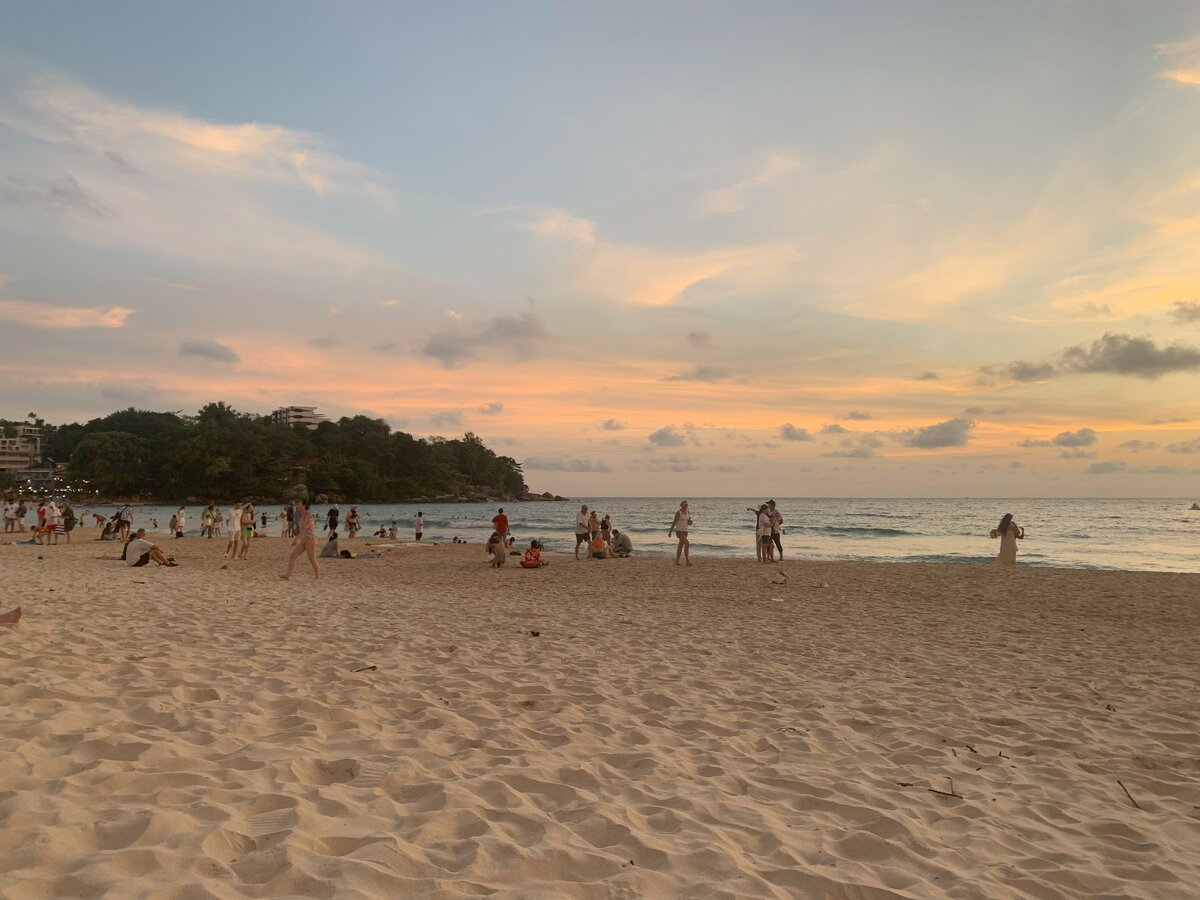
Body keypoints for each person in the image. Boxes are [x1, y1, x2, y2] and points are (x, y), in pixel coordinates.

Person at [282, 499, 320, 579]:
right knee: (293, 556)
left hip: (310, 538)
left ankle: (317, 576)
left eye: (299, 504)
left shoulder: (308, 515)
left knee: (311, 559)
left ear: (304, 505)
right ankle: (287, 575)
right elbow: (301, 528)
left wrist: (296, 539)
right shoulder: (301, 515)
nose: (297, 505)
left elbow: (305, 529)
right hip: (304, 539)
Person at [669, 500, 692, 566]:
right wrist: (670, 532)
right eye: (685, 505)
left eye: (687, 505)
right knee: (687, 543)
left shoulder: (688, 512)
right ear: (681, 506)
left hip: (685, 531)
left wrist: (690, 522)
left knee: (680, 546)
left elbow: (688, 521)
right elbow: (674, 522)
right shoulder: (678, 513)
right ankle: (687, 561)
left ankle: (676, 561)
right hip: (679, 531)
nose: (686, 506)